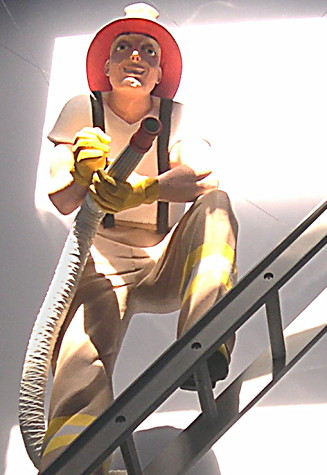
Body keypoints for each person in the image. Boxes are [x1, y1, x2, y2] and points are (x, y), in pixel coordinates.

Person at [40, 3, 238, 472]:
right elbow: (61, 197)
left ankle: (205, 338)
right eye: (124, 47)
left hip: (164, 254)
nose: (136, 57)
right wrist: (81, 174)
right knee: (79, 356)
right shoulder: (84, 109)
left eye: (149, 51)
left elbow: (203, 176)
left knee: (216, 206)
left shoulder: (176, 116)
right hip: (103, 260)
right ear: (106, 67)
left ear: (160, 75)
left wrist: (142, 190)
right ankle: (75, 459)